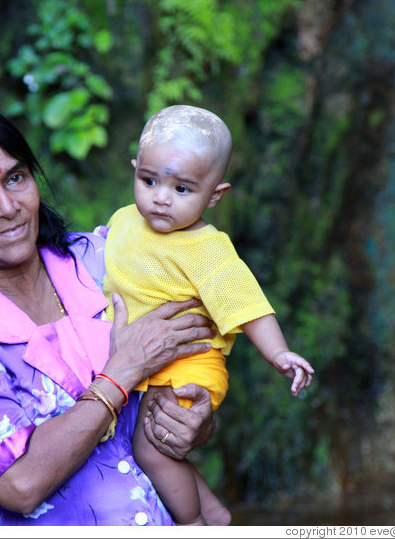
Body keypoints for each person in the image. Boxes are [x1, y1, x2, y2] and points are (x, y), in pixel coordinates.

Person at [0, 100, 231, 526]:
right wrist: (120, 374)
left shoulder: (106, 261)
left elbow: (196, 355)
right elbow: (19, 484)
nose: (8, 207)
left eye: (16, 178)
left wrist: (195, 421)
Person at [102, 105, 315, 525]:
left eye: (182, 189)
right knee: (147, 440)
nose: (160, 197)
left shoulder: (207, 248)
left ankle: (194, 525)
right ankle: (215, 514)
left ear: (214, 195)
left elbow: (247, 305)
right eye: (148, 181)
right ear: (135, 171)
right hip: (145, 359)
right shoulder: (125, 219)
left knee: (152, 446)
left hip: (189, 362)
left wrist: (279, 354)